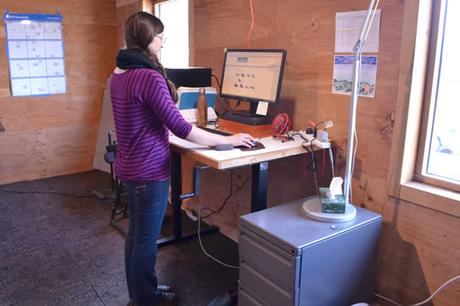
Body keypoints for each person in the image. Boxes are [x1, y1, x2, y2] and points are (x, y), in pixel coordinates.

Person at [111, 11, 255, 306]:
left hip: (129, 166)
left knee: (136, 235)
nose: (163, 43)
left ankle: (140, 293)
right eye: (161, 37)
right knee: (145, 240)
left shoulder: (119, 72)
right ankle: (146, 299)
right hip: (148, 170)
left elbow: (151, 119)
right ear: (149, 39)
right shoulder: (148, 77)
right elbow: (182, 128)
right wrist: (228, 140)